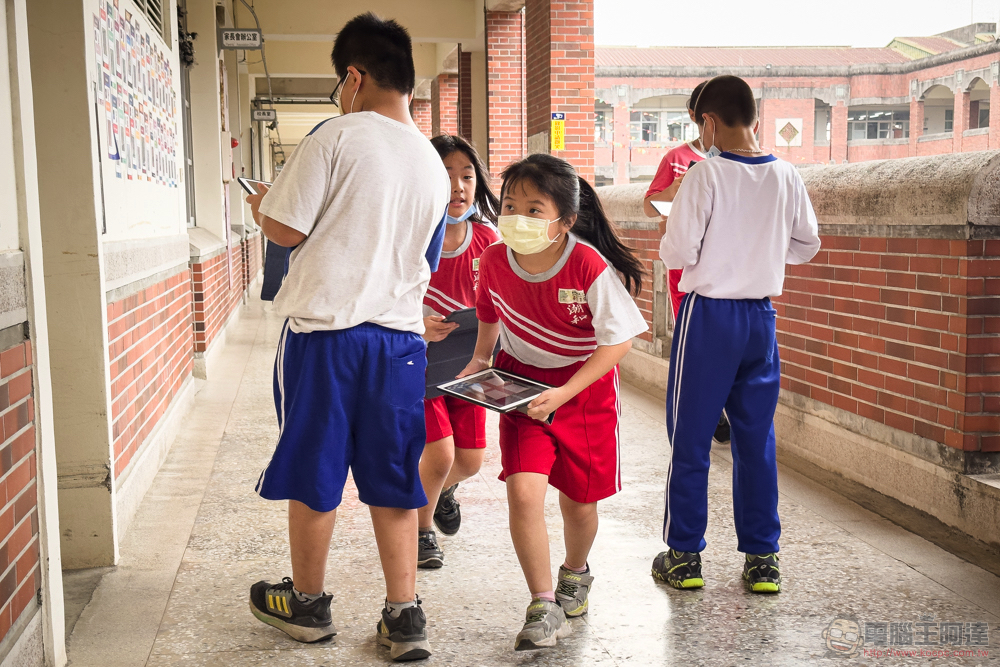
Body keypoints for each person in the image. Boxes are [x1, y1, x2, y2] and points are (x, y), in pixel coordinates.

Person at [243, 13, 450, 662]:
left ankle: (307, 603)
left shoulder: (337, 135)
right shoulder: (434, 164)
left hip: (327, 337)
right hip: (399, 345)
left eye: (342, 81)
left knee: (316, 469)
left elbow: (283, 227)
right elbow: (429, 255)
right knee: (393, 476)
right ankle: (403, 612)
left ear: (355, 78)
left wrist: (259, 204)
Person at [460, 154, 648, 650]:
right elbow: (487, 311)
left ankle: (575, 570)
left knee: (579, 504)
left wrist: (564, 393)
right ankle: (543, 604)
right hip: (523, 390)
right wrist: (482, 358)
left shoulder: (587, 264)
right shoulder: (495, 260)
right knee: (524, 493)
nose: (516, 219)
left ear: (564, 222)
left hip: (583, 395)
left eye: (534, 210)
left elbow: (619, 341)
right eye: (509, 205)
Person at [652, 75, 821, 594]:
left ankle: (684, 556)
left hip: (709, 319)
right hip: (760, 319)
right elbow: (806, 244)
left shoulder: (706, 175)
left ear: (709, 121)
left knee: (691, 437)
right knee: (755, 439)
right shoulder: (787, 174)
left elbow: (676, 254)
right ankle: (763, 560)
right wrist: (761, 256)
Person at [416, 134, 500, 569]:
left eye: (466, 175)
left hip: (471, 365)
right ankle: (421, 529)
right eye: (446, 175)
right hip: (420, 365)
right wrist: (416, 321)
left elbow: (507, 297)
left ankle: (443, 491)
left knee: (469, 460)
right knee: (441, 453)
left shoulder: (488, 238)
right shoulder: (409, 235)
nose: (458, 186)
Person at [642, 81, 731, 447]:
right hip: (685, 274)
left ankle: (721, 406)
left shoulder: (738, 162)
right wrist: (676, 189)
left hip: (726, 273)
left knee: (725, 347)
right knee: (695, 346)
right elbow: (650, 205)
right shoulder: (677, 159)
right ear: (695, 116)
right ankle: (712, 414)